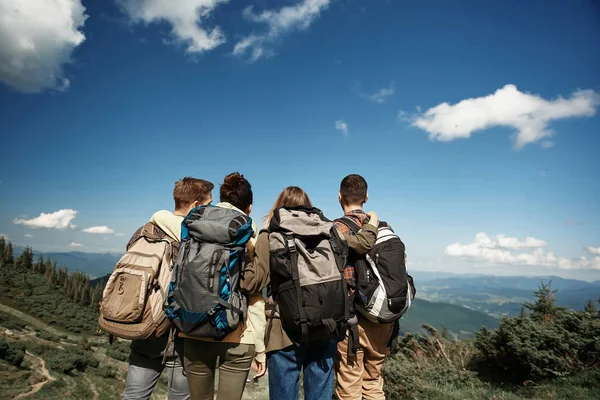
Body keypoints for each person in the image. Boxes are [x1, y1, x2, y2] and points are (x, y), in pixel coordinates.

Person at [240, 186, 380, 400]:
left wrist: (242, 255)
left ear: (279, 206)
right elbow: (362, 244)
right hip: (327, 324)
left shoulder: (269, 236)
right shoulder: (330, 231)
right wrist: (372, 223)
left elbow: (253, 282)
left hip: (284, 330)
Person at [123, 177, 214, 400]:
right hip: (181, 331)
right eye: (209, 204)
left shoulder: (145, 231)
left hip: (146, 327)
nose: (211, 209)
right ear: (196, 205)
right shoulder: (196, 236)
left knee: (134, 395)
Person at [182, 172, 267, 400]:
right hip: (237, 333)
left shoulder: (195, 220)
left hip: (192, 326)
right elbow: (253, 289)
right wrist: (260, 347)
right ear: (249, 206)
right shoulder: (247, 228)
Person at [334, 174, 396, 400]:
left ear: (339, 197)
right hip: (382, 317)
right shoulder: (384, 227)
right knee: (373, 382)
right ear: (366, 198)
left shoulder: (336, 230)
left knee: (349, 384)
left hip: (352, 320)